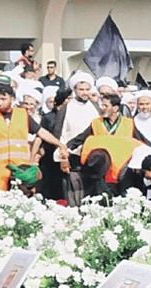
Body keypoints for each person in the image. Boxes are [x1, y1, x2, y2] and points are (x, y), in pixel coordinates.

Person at [0, 84, 68, 190]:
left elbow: (41, 132)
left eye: (3, 99)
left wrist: (59, 144)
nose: (0, 103)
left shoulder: (22, 115)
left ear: (12, 99)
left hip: (20, 171)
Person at [54, 71, 101, 206]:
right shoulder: (66, 109)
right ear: (74, 90)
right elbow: (59, 135)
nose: (84, 93)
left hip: (92, 158)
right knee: (73, 193)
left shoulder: (95, 107)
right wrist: (63, 158)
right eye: (81, 89)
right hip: (71, 157)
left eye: (87, 89)